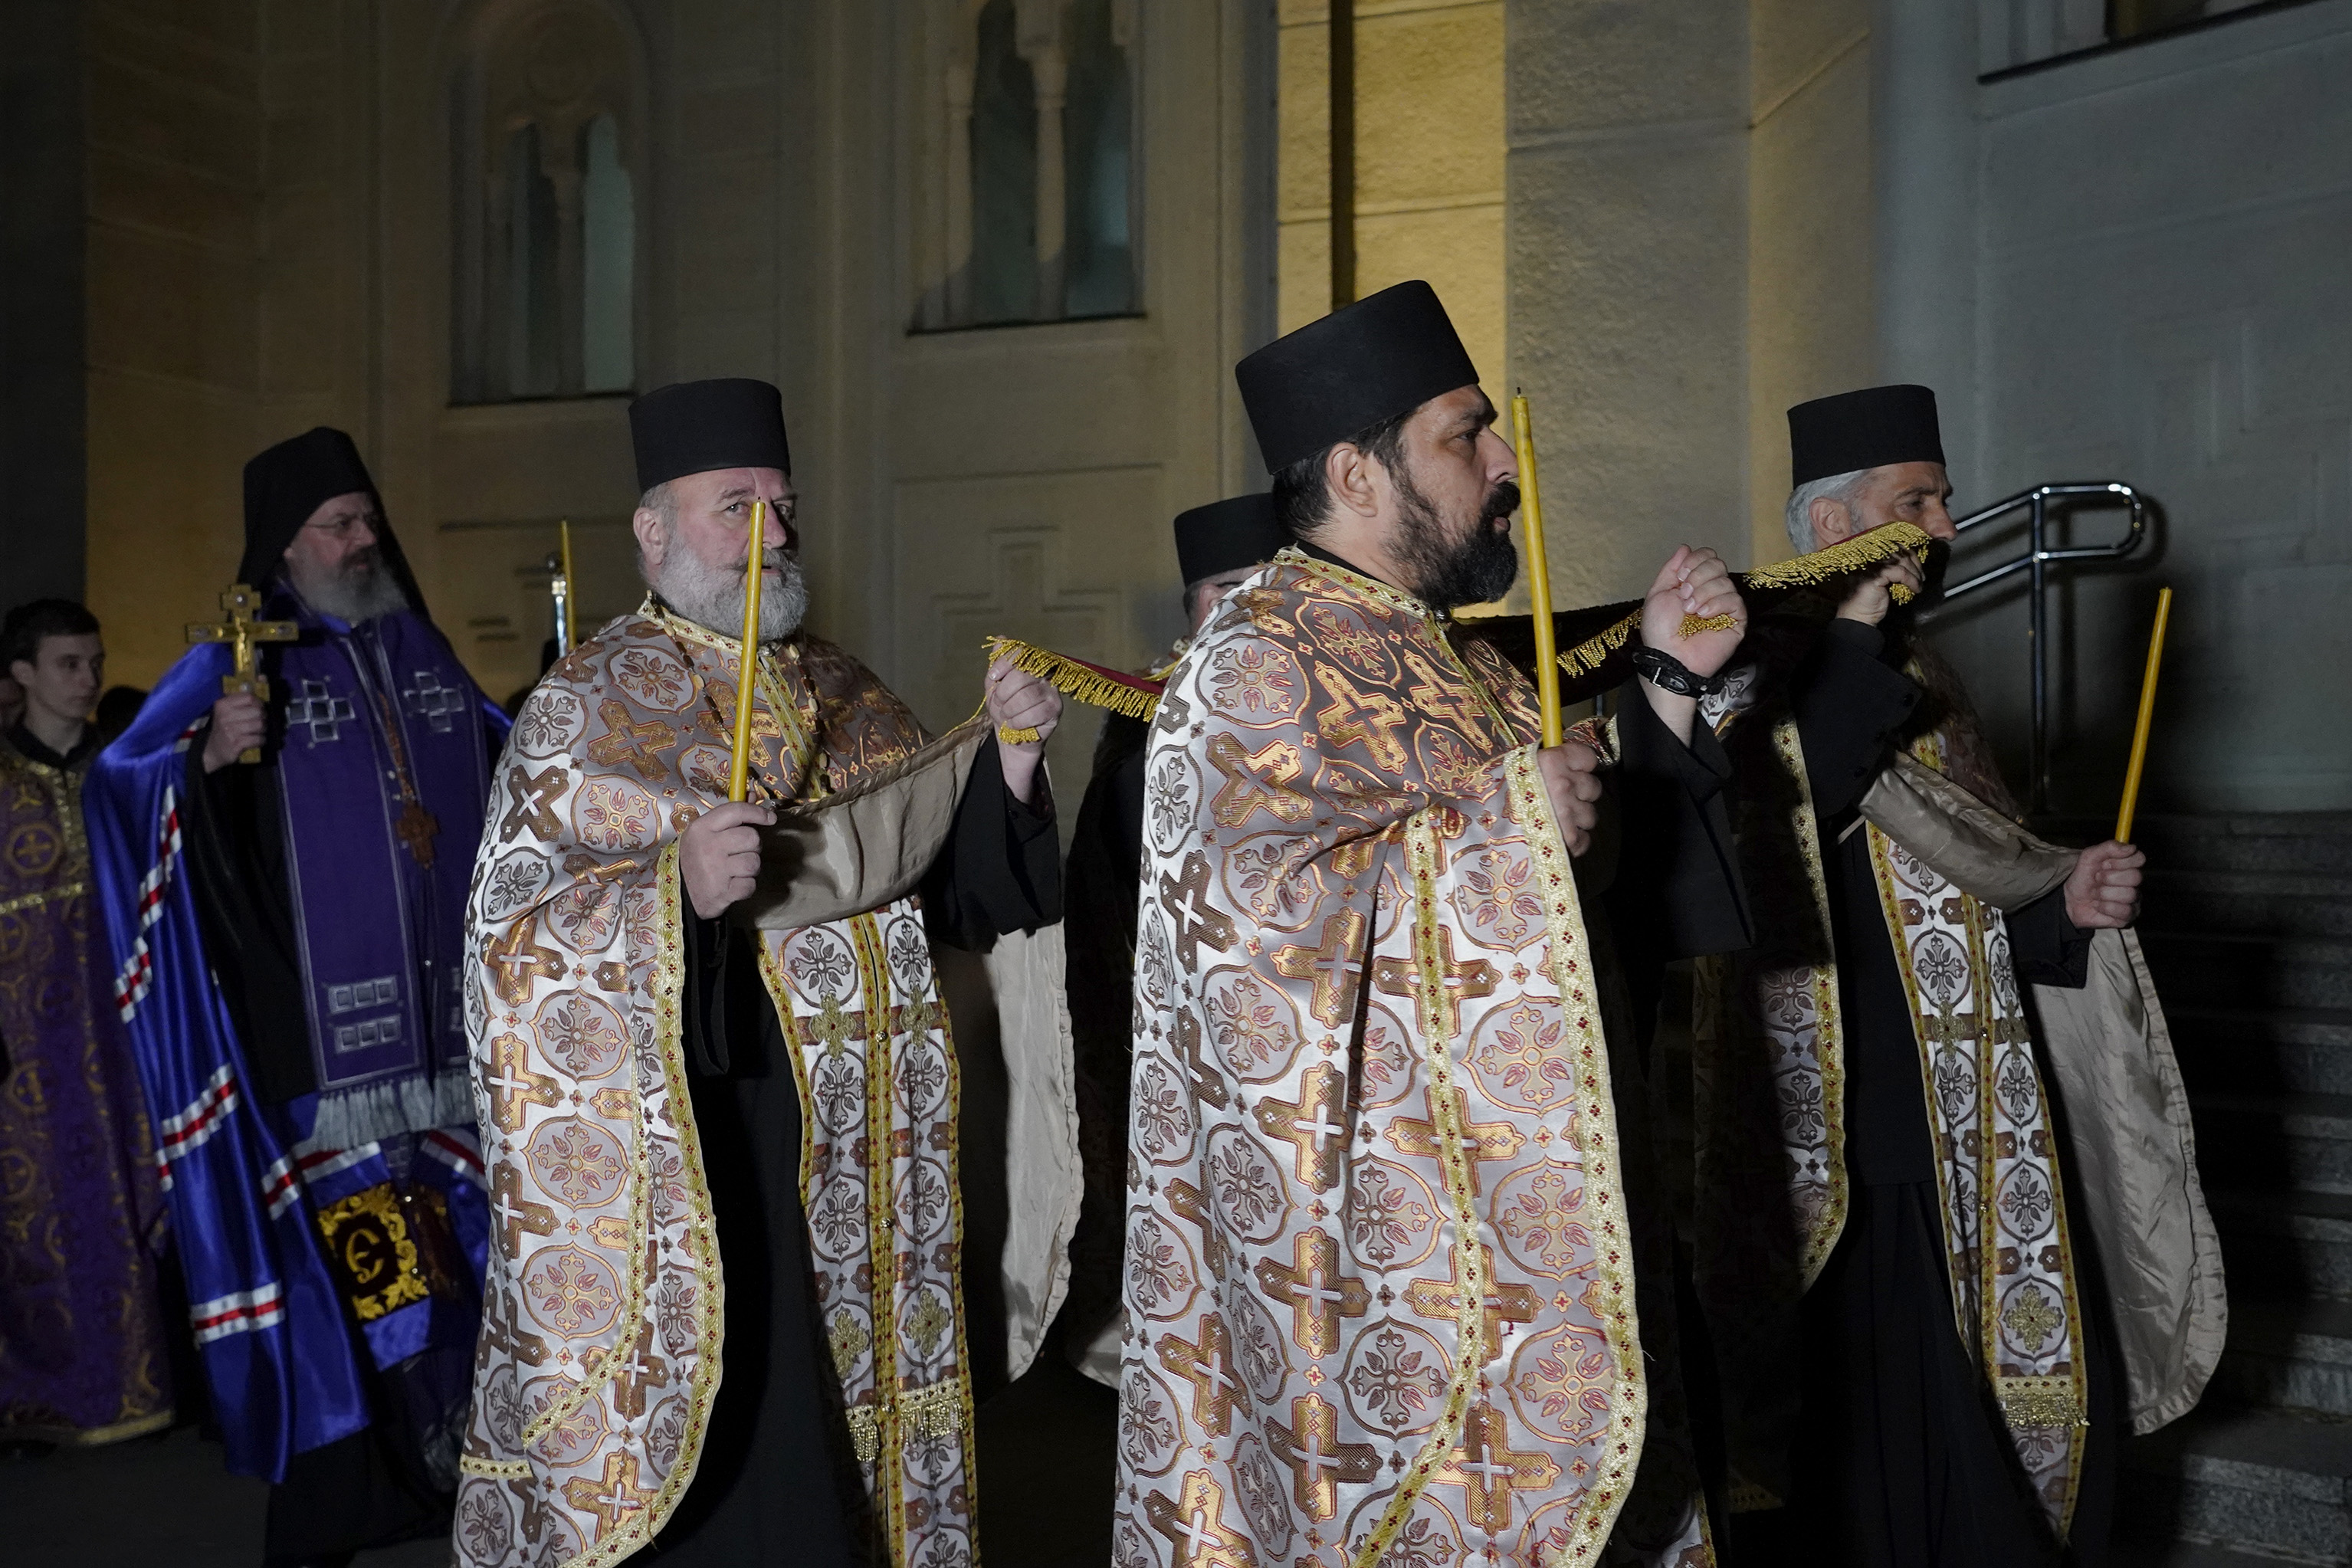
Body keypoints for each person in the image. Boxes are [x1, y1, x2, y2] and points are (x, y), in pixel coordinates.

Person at [1113, 281, 1755, 1566]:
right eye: (1465, 435)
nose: (1505, 462)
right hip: (1385, 1277)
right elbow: (1246, 961)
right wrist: (1502, 832)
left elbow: (1593, 898)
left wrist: (1670, 690)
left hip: (1547, 1216)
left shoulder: (1465, 660)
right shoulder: (1252, 659)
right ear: (1356, 474)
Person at [453, 378, 1082, 1567]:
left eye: (782, 504)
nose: (774, 531)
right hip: (728, 1148)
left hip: (882, 1153)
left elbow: (956, 894)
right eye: (735, 505)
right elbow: (512, 953)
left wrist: (1008, 761)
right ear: (653, 531)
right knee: (770, 1460)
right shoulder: (585, 704)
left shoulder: (845, 685)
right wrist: (673, 890)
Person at [1694, 385, 2222, 1566]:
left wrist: (2062, 909)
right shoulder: (1751, 665)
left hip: (1975, 1119)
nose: (1943, 525)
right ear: (1837, 528)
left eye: (1941, 498)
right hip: (1846, 1143)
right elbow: (1784, 817)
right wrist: (1849, 635)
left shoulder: (1923, 668)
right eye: (1916, 501)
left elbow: (1971, 879)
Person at [86, 428, 503, 1566]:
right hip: (317, 1050)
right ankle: (342, 1495)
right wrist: (208, 762)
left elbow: (512, 756)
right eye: (338, 523)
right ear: (284, 545)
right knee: (358, 1276)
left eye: (368, 518)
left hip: (447, 1036)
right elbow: (121, 785)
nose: (364, 539)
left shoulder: (417, 643)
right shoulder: (239, 656)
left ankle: (440, 1467)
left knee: (453, 1251)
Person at [1061, 492, 1294, 1379]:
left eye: (1265, 587)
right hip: (1187, 1011)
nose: (1242, 610)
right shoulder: (1145, 708)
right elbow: (1115, 862)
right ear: (1191, 607)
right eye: (1222, 590)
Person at [0, 601, 175, 1449]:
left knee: (140, 1194)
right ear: (22, 674)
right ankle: (43, 1395)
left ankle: (150, 1380)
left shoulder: (123, 772)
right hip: (25, 1043)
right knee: (37, 1216)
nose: (89, 679)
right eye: (68, 664)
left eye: (95, 662)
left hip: (125, 1026)